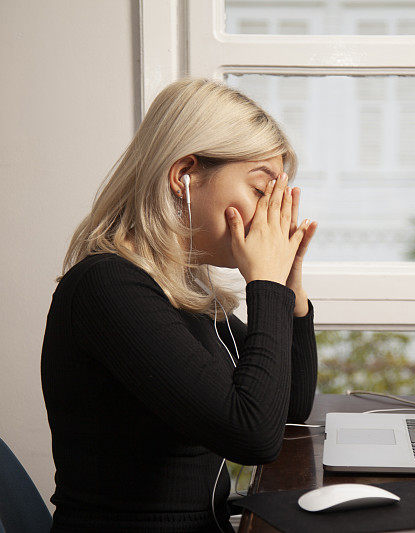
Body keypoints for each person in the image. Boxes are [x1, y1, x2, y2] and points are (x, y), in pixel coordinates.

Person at [41, 77, 319, 532]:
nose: (272, 214)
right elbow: (253, 435)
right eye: (259, 190)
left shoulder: (177, 291)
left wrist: (288, 288)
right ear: (183, 175)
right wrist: (264, 284)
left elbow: (290, 405)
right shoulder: (108, 287)